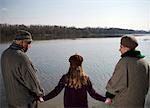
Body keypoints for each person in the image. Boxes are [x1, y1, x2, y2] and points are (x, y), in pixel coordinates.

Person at [42, 54, 111, 108]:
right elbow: (93, 94)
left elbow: (56, 91)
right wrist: (105, 99)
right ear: (81, 64)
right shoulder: (85, 79)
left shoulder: (65, 78)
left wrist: (43, 98)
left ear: (70, 64)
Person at [1, 30, 44, 108]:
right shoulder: (21, 57)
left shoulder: (4, 53)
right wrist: (40, 93)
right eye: (28, 43)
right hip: (25, 102)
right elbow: (32, 80)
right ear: (22, 42)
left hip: (11, 101)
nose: (29, 46)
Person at [105, 36, 150, 107]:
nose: (119, 49)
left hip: (125, 103)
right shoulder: (144, 62)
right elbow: (146, 85)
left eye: (121, 47)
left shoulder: (124, 62)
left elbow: (116, 82)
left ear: (127, 48)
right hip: (139, 102)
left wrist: (109, 95)